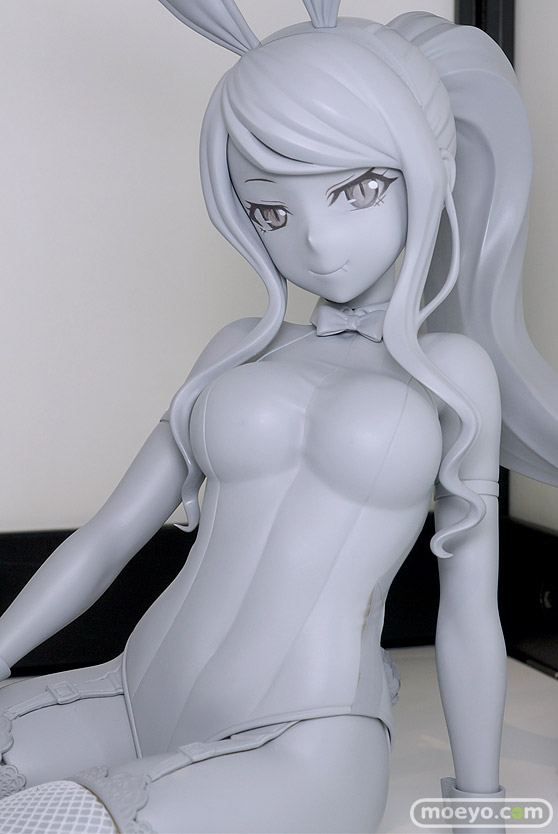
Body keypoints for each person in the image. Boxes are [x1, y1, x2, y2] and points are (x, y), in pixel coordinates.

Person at [0, 2, 553, 831]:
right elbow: (110, 534)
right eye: (272, 212)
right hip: (130, 693)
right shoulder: (239, 346)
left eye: (359, 190)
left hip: (304, 738)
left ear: (428, 169)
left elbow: (469, 608)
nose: (318, 242)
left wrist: (481, 807)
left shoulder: (453, 371)